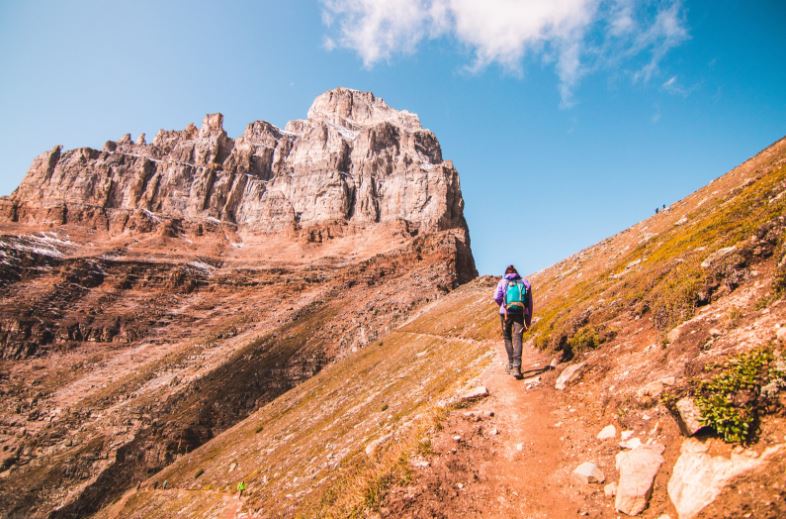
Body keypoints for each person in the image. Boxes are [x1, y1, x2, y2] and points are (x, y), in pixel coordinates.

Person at [493, 265, 533, 379]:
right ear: (516, 272)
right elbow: (529, 303)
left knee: (507, 337)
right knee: (518, 338)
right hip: (520, 313)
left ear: (506, 273)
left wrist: (503, 305)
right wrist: (528, 320)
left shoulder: (502, 281)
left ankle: (510, 364)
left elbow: (496, 297)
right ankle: (517, 368)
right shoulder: (524, 282)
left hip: (505, 314)